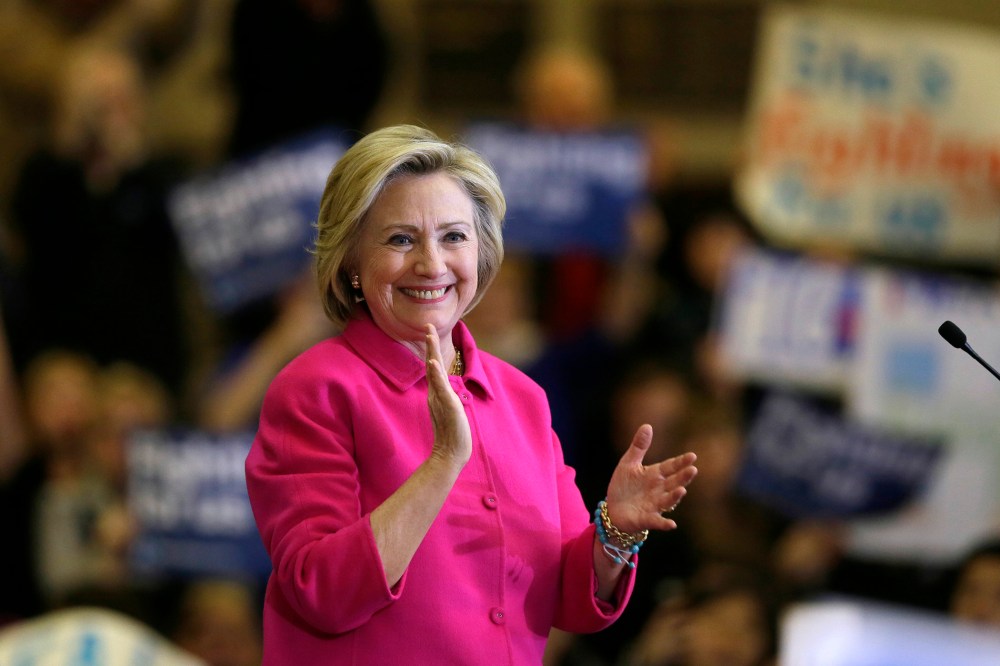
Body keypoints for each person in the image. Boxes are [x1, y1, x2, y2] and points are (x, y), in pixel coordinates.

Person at [244, 124, 698, 664]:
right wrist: (442, 463)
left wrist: (615, 533)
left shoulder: (524, 397)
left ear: (482, 256)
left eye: (453, 237)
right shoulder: (314, 389)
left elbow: (570, 601)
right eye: (400, 238)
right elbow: (321, 591)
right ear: (350, 263)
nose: (431, 263)